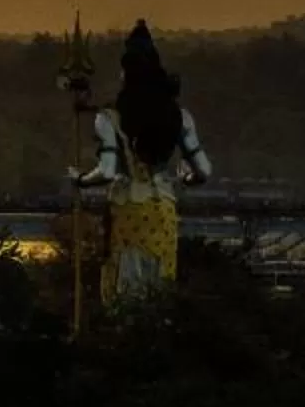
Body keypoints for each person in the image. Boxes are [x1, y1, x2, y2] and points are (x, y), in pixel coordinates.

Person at [71, 21, 211, 302]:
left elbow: (107, 171)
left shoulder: (110, 118)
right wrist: (185, 178)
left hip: (128, 207)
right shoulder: (180, 117)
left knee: (126, 288)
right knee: (158, 290)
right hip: (164, 208)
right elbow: (204, 171)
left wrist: (80, 180)